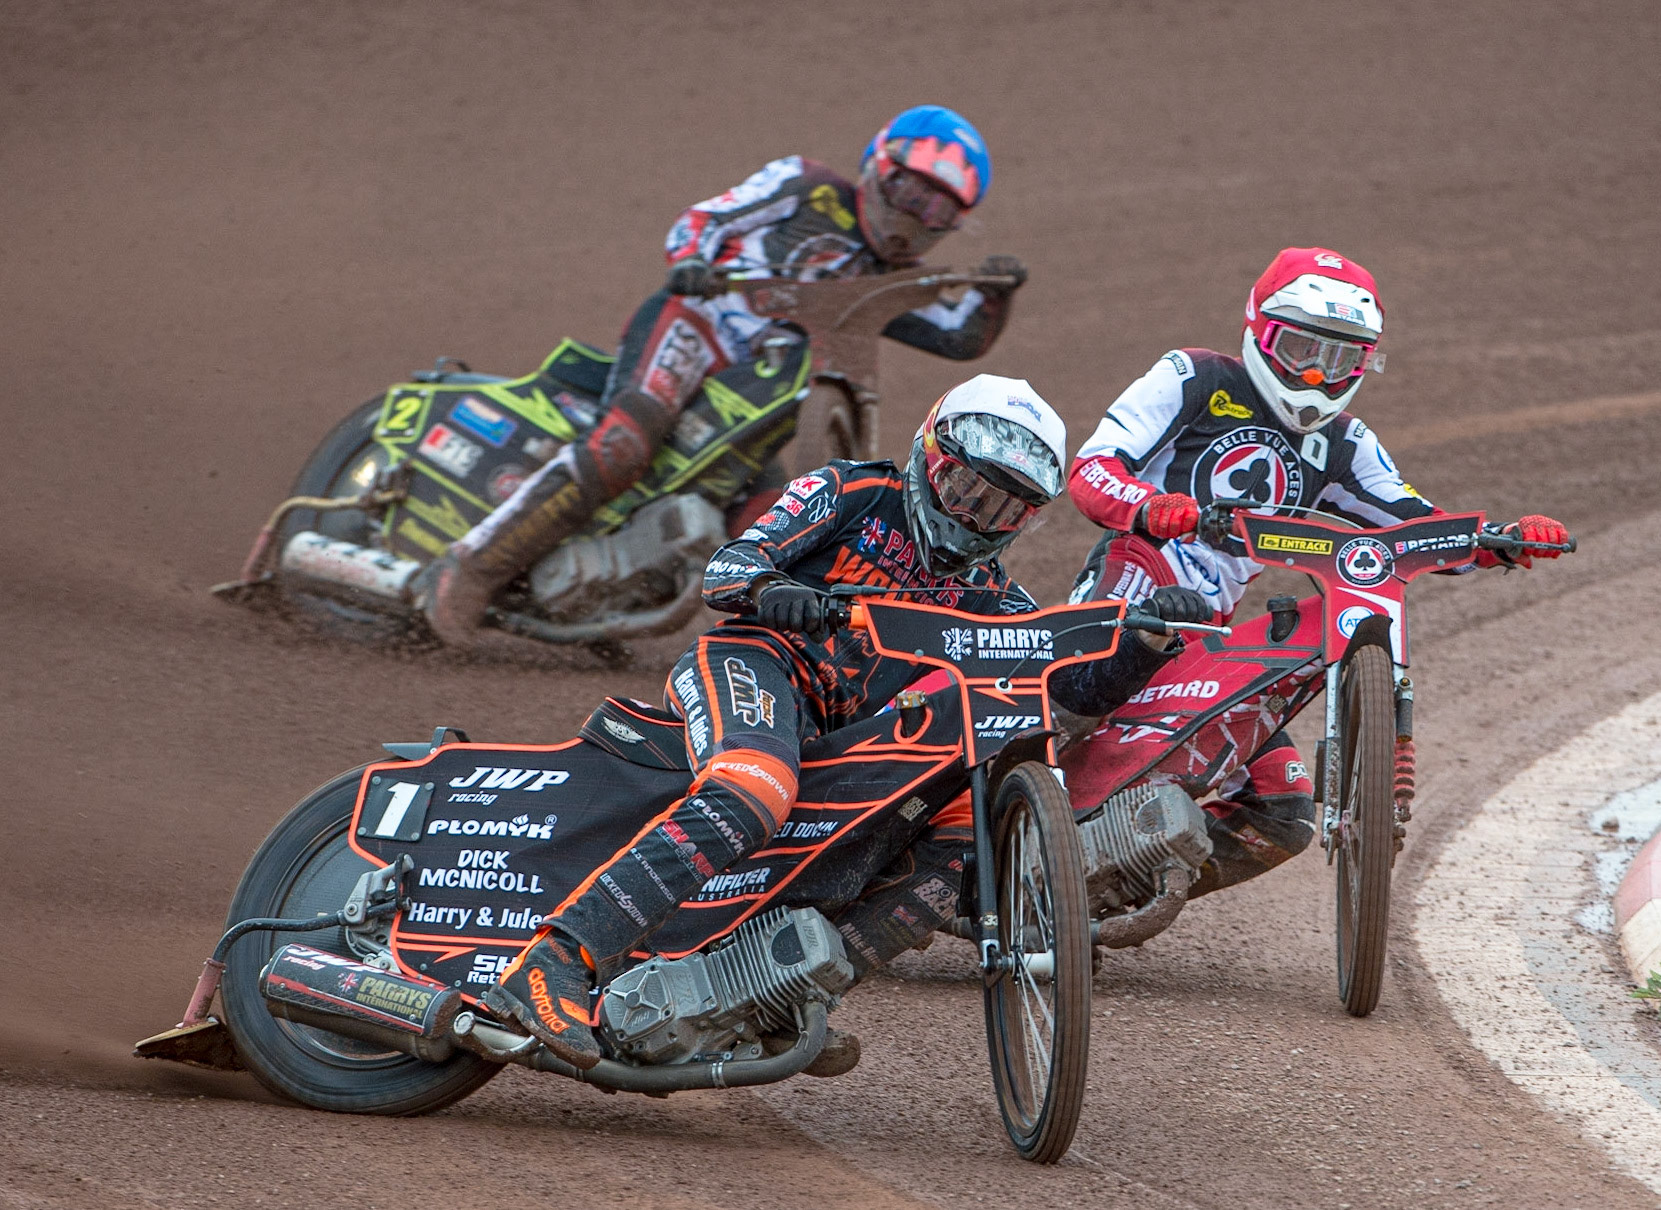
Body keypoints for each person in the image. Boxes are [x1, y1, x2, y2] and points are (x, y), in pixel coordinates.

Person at [482, 374, 1211, 1070]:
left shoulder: (998, 600)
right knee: (754, 788)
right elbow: (726, 570)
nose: (971, 519)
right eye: (964, 488)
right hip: (758, 666)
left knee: (954, 840)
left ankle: (776, 999)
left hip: (842, 737)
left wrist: (1144, 646)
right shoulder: (854, 491)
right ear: (930, 452)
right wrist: (775, 592)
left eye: (1001, 510)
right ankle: (555, 960)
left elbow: (1067, 700)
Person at [418, 105, 1027, 647]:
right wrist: (691, 265)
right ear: (876, 165)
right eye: (910, 190)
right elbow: (703, 220)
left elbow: (958, 336)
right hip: (699, 325)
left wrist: (997, 295)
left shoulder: (886, 285)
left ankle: (760, 646)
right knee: (625, 441)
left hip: (756, 403)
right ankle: (469, 570)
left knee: (770, 516)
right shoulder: (806, 186)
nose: (915, 215)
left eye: (938, 209)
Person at [1066, 246, 1569, 896]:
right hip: (1132, 581)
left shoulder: (1343, 444)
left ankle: (1108, 889)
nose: (1313, 376)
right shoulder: (1192, 376)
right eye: (1300, 350)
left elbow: (1412, 526)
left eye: (1338, 359)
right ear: (1259, 332)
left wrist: (1496, 541)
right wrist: (1152, 507)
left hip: (1211, 637)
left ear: (1363, 363)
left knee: (1280, 816)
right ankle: (1016, 789)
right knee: (1102, 670)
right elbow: (1093, 468)